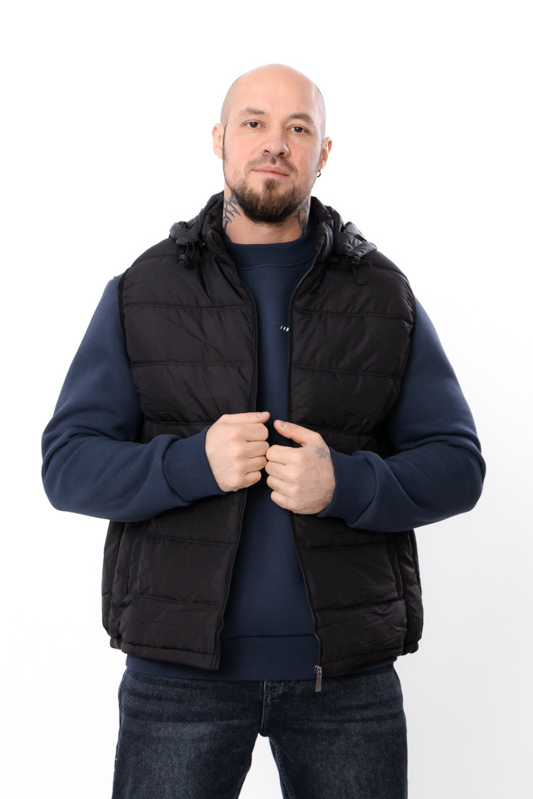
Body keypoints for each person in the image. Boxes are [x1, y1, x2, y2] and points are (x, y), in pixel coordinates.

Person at [42, 64, 485, 799]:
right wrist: (191, 464)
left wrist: (346, 483)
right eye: (254, 123)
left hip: (346, 680)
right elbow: (67, 464)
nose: (274, 143)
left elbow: (457, 466)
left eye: (297, 128)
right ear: (220, 139)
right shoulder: (142, 290)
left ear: (322, 152)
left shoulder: (383, 295)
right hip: (176, 676)